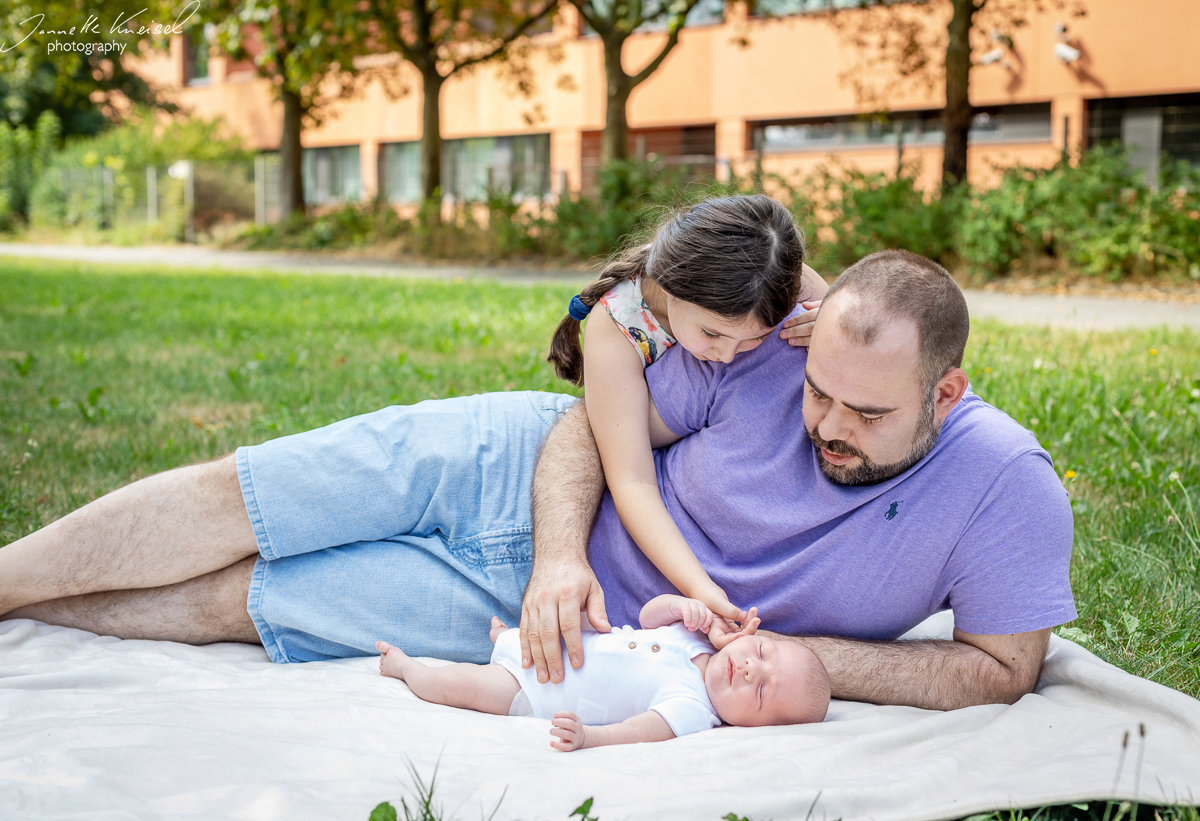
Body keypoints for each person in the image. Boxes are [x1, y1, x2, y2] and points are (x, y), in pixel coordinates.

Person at [0, 209, 1075, 712]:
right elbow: (588, 433)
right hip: (515, 472)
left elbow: (998, 666)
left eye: (866, 413)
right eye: (820, 390)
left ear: (948, 389)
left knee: (253, 597)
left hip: (564, 637)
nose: (827, 421)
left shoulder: (1003, 486)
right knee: (251, 496)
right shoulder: (768, 344)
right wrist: (560, 552)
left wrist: (780, 657)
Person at [545, 195, 810, 624]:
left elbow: (851, 314)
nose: (726, 356)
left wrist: (833, 321)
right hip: (572, 450)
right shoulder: (616, 328)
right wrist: (699, 587)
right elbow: (631, 480)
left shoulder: (773, 269)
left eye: (751, 340)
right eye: (712, 333)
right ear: (671, 285)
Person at [375, 595, 830, 752]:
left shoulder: (694, 710)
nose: (752, 667)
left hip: (534, 693)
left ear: (754, 727)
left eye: (763, 690)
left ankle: (406, 668)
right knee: (541, 629)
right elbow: (648, 616)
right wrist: (681, 607)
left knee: (455, 684)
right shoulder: (695, 638)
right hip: (556, 645)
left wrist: (590, 739)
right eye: (764, 651)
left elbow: (635, 731)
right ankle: (504, 637)